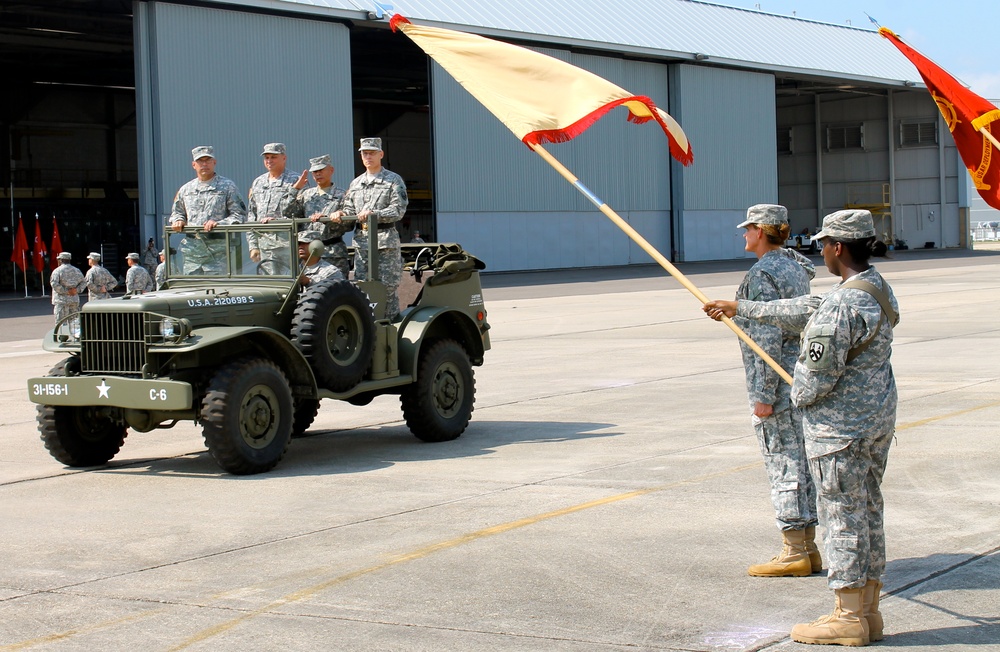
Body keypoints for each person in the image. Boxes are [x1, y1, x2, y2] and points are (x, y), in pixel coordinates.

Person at [704, 209, 898, 647]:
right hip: (874, 421)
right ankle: (868, 611)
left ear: (837, 247)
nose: (822, 250)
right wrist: (742, 307)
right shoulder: (873, 287)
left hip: (840, 430)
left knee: (842, 517)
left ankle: (847, 617)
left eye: (826, 243)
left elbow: (816, 374)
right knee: (867, 512)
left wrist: (793, 398)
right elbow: (808, 306)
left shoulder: (842, 305)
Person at [730, 204, 820, 578]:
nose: (744, 235)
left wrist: (763, 397)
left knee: (784, 463)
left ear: (761, 231)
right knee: (800, 463)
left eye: (748, 228)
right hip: (796, 375)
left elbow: (766, 338)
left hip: (777, 383)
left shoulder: (762, 273)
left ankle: (794, 549)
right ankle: (808, 547)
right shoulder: (793, 266)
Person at [332, 137, 408, 319]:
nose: (368, 156)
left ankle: (390, 329)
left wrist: (374, 214)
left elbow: (398, 210)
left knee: (387, 289)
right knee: (362, 287)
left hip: (384, 242)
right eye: (364, 153)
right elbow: (350, 211)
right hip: (362, 243)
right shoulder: (356, 184)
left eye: (372, 153)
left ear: (381, 154)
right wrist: (341, 215)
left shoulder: (393, 180)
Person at [170, 145, 247, 274]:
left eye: (208, 160)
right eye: (200, 161)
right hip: (192, 253)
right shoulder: (186, 189)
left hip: (218, 253)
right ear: (194, 164)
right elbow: (177, 212)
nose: (204, 164)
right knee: (192, 291)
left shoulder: (227, 186)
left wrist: (219, 224)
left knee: (217, 291)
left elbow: (240, 215)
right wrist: (178, 220)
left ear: (214, 162)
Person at [286, 154, 350, 279]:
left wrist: (327, 220)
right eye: (314, 172)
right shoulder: (306, 194)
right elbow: (288, 212)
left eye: (321, 170)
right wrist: (295, 189)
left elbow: (349, 225)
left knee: (336, 291)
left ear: (331, 170)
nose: (318, 174)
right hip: (308, 254)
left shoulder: (342, 196)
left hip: (333, 252)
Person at [247, 142, 299, 271]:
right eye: (267, 157)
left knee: (289, 286)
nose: (269, 160)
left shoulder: (295, 180)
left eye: (273, 157)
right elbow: (252, 215)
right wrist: (253, 245)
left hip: (287, 246)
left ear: (284, 158)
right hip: (264, 246)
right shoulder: (258, 182)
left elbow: (301, 213)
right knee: (269, 285)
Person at [49, 251, 86, 325]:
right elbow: (84, 282)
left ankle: (63, 336)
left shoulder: (57, 271)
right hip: (74, 300)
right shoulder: (76, 270)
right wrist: (76, 290)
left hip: (61, 301)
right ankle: (75, 336)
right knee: (75, 324)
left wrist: (66, 291)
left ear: (61, 260)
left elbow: (54, 283)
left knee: (61, 324)